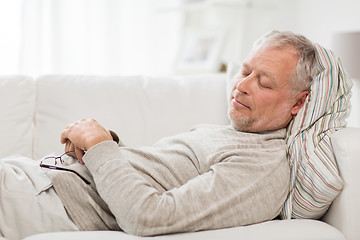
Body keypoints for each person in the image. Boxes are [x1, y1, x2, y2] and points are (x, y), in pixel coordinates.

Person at [0, 30, 318, 240]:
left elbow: (149, 217)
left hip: (49, 200)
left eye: (264, 82)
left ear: (298, 102)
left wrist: (100, 146)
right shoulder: (234, 134)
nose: (243, 86)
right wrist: (103, 146)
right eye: (245, 71)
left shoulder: (262, 166)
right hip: (35, 178)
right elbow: (156, 175)